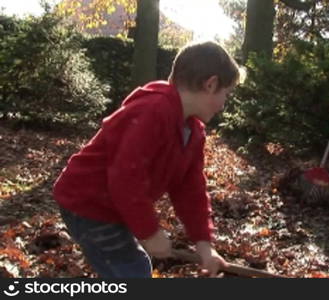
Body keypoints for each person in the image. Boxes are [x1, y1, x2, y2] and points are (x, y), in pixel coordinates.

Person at [53, 41, 241, 278]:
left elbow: (190, 190)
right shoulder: (152, 110)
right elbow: (126, 176)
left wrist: (205, 245)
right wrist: (149, 233)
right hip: (87, 203)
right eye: (226, 94)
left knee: (132, 266)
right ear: (211, 84)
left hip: (113, 205)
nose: (224, 104)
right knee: (132, 271)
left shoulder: (193, 132)